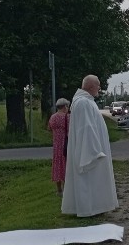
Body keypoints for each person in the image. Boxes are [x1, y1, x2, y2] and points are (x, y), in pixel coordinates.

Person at [62, 75, 118, 217]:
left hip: (96, 147)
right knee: (89, 180)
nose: (99, 88)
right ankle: (89, 208)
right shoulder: (83, 103)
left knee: (94, 180)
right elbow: (86, 128)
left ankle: (96, 206)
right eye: (98, 85)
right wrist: (93, 151)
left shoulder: (86, 101)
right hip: (90, 150)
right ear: (91, 86)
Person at [48, 98, 71, 196]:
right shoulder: (68, 117)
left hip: (56, 145)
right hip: (66, 145)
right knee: (67, 166)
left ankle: (59, 190)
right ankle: (68, 189)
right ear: (65, 106)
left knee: (57, 166)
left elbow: (49, 128)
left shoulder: (53, 117)